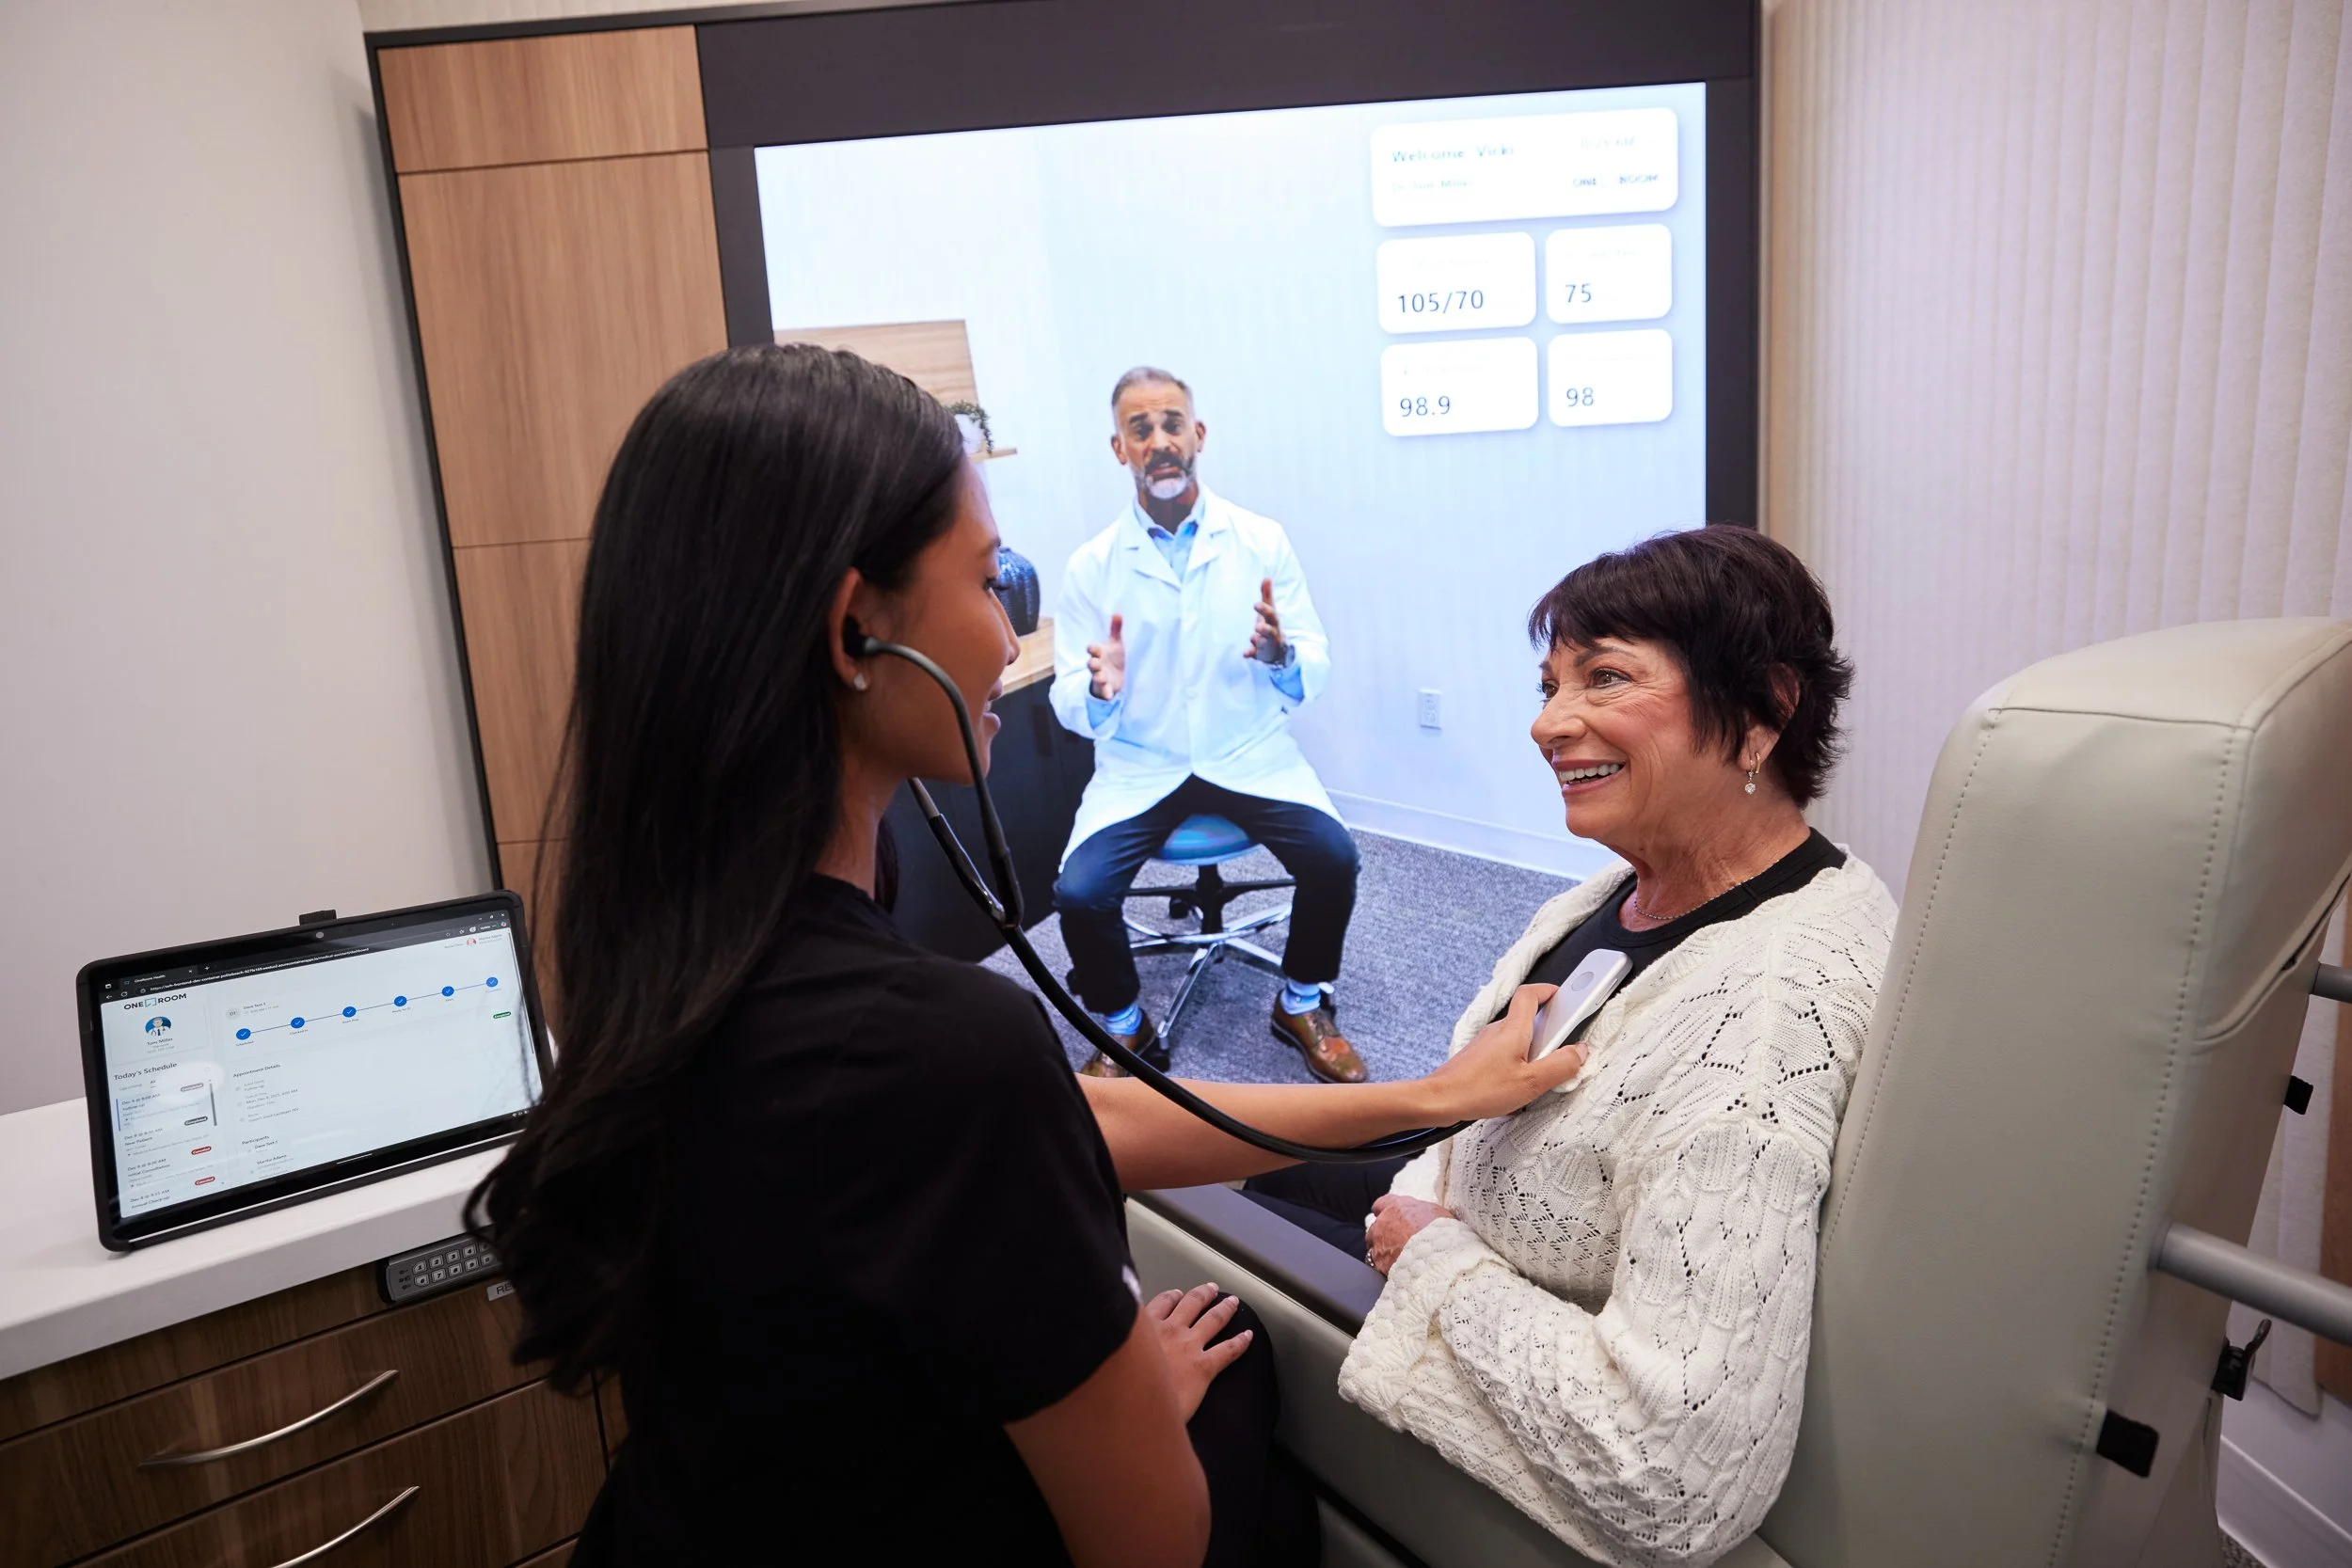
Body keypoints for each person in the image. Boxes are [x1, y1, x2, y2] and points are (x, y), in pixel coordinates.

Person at [469, 344, 1590, 1567]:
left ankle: (1301, 1002)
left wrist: (1422, 1097)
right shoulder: (946, 1044)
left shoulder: (658, 968)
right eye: (990, 577)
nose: (1010, 629)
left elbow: (1057, 1118)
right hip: (1146, 784)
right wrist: (1132, 1394)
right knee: (1245, 1368)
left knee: (1327, 854)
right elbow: (1153, 1537)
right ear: (858, 629)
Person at [1247, 526, 1899, 1567]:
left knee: (1182, 1221)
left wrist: (1435, 1257)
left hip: (1459, 1271)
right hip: (1446, 1187)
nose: (1551, 722)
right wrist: (1429, 1158)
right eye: (1549, 682)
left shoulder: (1763, 1022)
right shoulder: (1630, 890)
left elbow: (1674, 1477)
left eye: (1604, 676)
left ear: (1766, 711)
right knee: (1225, 1148)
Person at [1051, 367, 1365, 1084]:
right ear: (1119, 448)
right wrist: (1099, 690)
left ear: (1198, 435)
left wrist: (1282, 654)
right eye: (1141, 429)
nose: (1159, 441)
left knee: (1333, 857)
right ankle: (1127, 1027)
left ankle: (1301, 999)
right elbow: (1069, 701)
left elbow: (1314, 663)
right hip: (1143, 764)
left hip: (1247, 752)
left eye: (1171, 423)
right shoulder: (1091, 567)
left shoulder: (1260, 539)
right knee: (1079, 892)